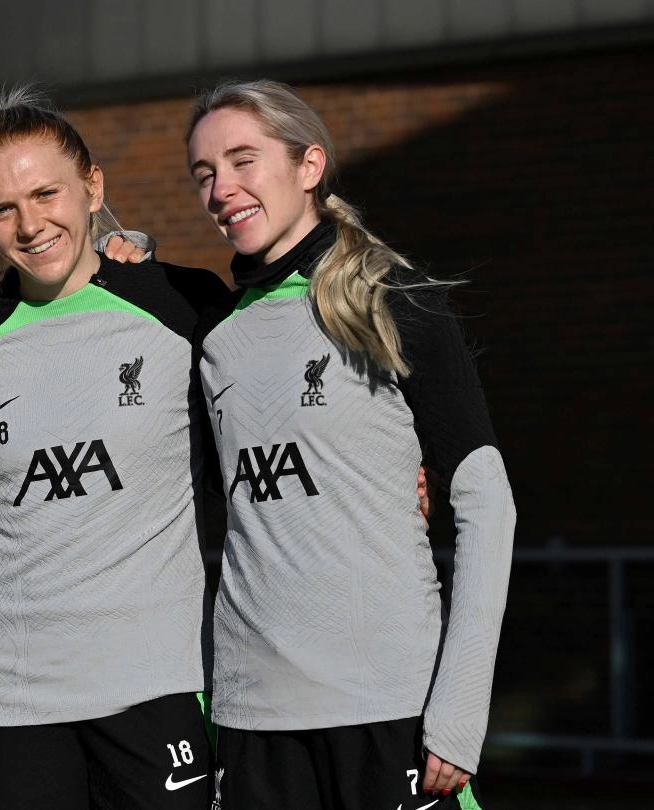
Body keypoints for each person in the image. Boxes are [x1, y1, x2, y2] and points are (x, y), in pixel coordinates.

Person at [184, 79, 515, 810]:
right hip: (252, 719)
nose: (221, 189)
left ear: (309, 166)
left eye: (243, 160)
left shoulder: (394, 301)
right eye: (204, 172)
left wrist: (460, 708)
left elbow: (487, 506)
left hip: (388, 707)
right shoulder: (210, 332)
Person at [0, 89, 230, 810]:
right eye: (2, 209)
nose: (30, 225)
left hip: (157, 686)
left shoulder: (181, 304)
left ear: (93, 187)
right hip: (10, 702)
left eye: (46, 194)